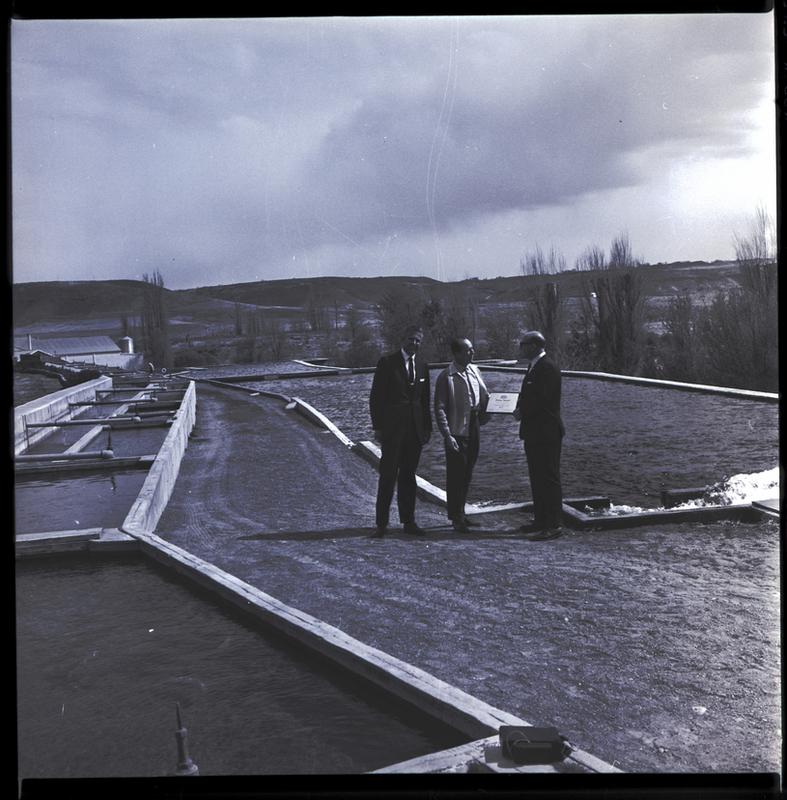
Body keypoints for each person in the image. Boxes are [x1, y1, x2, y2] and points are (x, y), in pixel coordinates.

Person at [369, 325, 432, 537]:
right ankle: (381, 524)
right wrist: (378, 426)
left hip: (415, 431)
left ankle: (408, 521)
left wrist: (427, 428)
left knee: (408, 476)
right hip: (392, 431)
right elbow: (376, 397)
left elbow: (424, 400)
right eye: (411, 339)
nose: (414, 343)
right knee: (388, 477)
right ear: (402, 339)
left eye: (418, 341)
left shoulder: (422, 366)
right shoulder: (387, 363)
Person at [513, 331, 565, 541]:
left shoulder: (547, 367)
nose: (520, 348)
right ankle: (541, 519)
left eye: (523, 344)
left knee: (548, 478)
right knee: (536, 478)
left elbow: (541, 399)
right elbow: (530, 396)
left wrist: (521, 411)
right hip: (534, 432)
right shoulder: (535, 366)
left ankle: (554, 524)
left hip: (546, 433)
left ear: (533, 346)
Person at [434, 338, 489, 532]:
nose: (472, 353)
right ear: (457, 354)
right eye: (468, 350)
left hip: (474, 425)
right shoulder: (446, 377)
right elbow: (439, 408)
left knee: (468, 472)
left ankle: (462, 514)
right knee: (456, 474)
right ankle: (456, 518)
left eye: (472, 349)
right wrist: (447, 435)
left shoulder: (475, 371)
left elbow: (484, 397)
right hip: (457, 429)